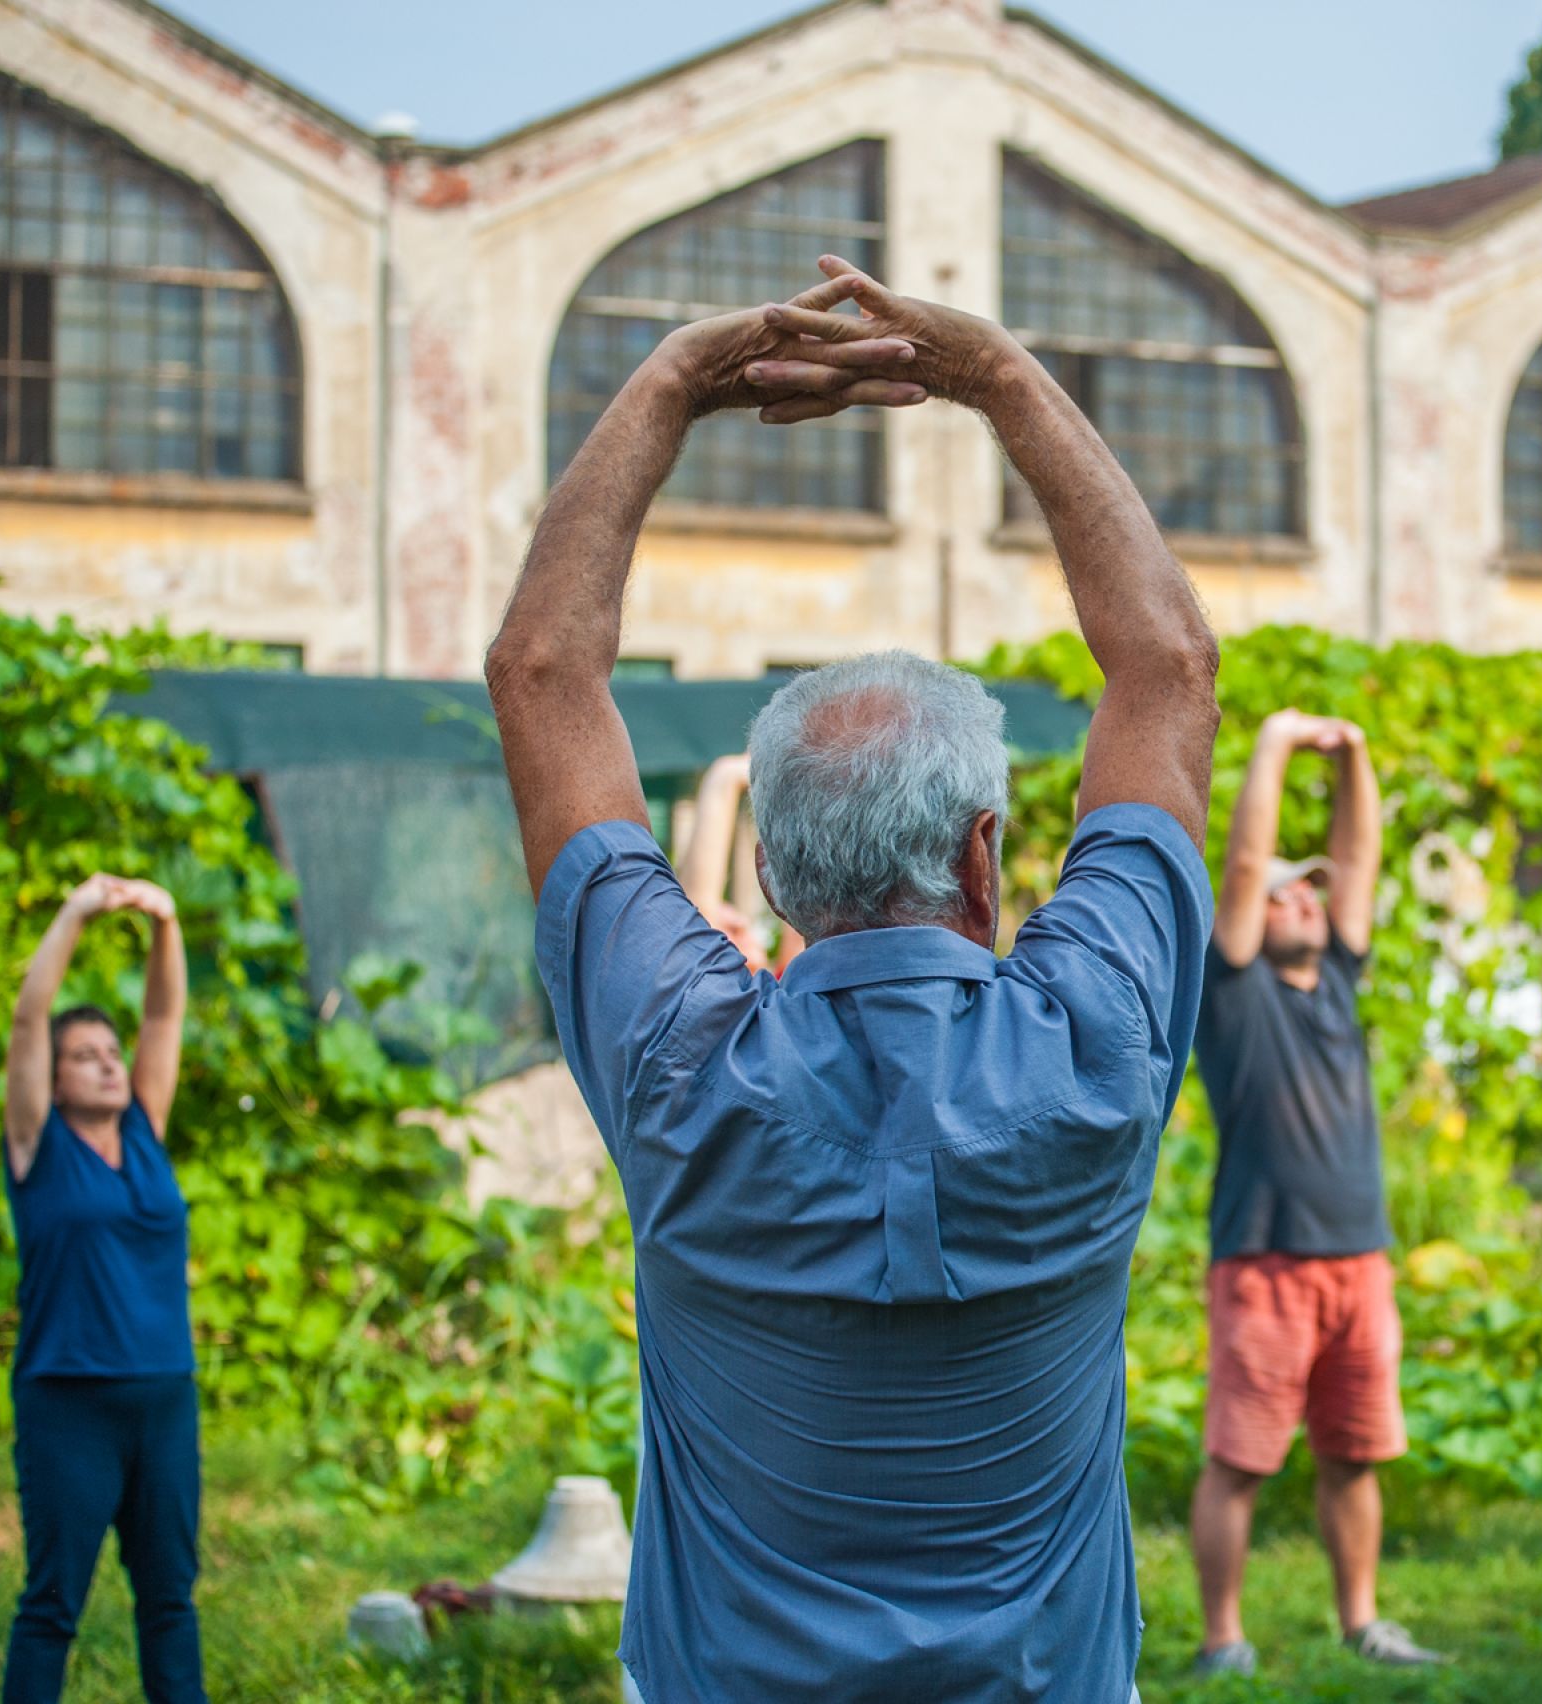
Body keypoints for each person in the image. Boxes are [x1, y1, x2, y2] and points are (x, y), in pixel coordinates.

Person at [486, 255, 1220, 1702]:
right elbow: (1169, 669)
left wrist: (672, 380)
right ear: (987, 856)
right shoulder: (1097, 1041)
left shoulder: (677, 1061)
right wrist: (995, 374)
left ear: (766, 873)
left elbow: (542, 673)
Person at [1188, 710, 1446, 1677]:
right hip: (1264, 1263)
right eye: (1290, 891)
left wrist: (1360, 760)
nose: (1304, 896)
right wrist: (1278, 744)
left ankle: (1363, 1621)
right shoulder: (1234, 984)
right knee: (1241, 1459)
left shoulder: (1335, 974)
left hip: (1358, 1261)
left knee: (1355, 1454)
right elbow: (1249, 864)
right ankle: (1223, 1641)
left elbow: (1359, 854)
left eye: (1313, 891)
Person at [1, 873, 205, 1703]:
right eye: (84, 1056)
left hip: (163, 1400)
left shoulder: (143, 1132)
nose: (109, 1064)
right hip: (69, 1403)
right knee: (53, 1605)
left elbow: (163, 1018)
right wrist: (77, 910)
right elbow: (25, 1019)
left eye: (111, 1053)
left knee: (170, 1602)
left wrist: (165, 922)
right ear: (53, 1078)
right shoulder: (36, 1147)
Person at [678, 750, 802, 973]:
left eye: (737, 927)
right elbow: (699, 918)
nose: (745, 926)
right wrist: (725, 780)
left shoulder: (784, 987)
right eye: (733, 930)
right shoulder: (784, 991)